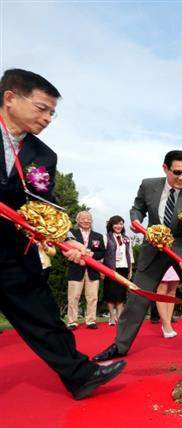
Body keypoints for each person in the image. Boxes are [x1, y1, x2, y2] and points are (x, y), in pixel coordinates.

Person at [0, 68, 125, 399]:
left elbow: (45, 204)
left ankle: (81, 376)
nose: (48, 118)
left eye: (52, 113)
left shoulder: (43, 156)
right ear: (10, 98)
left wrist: (67, 239)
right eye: (42, 108)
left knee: (43, 316)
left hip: (14, 252)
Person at [93, 150, 182, 361]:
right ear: (165, 168)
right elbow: (137, 208)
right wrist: (135, 220)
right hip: (153, 248)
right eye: (177, 172)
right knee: (137, 297)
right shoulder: (148, 185)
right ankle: (120, 345)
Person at [66, 211, 105, 330]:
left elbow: (102, 253)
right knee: (73, 297)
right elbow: (66, 248)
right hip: (76, 269)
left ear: (91, 221)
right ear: (77, 220)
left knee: (92, 297)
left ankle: (91, 321)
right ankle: (72, 322)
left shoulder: (98, 236)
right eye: (83, 218)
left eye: (88, 218)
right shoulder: (71, 233)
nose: (86, 220)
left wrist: (92, 254)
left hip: (93, 271)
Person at [102, 215, 133, 326]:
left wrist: (130, 270)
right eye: (116, 224)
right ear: (111, 225)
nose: (118, 226)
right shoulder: (106, 237)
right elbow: (103, 253)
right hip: (110, 268)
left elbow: (130, 254)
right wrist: (102, 270)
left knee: (121, 294)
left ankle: (119, 316)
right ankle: (111, 316)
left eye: (121, 224)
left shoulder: (127, 238)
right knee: (110, 293)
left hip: (123, 268)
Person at [156, 266, 180, 338]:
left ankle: (168, 324)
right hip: (162, 263)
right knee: (161, 292)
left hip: (176, 263)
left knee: (172, 292)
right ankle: (165, 325)